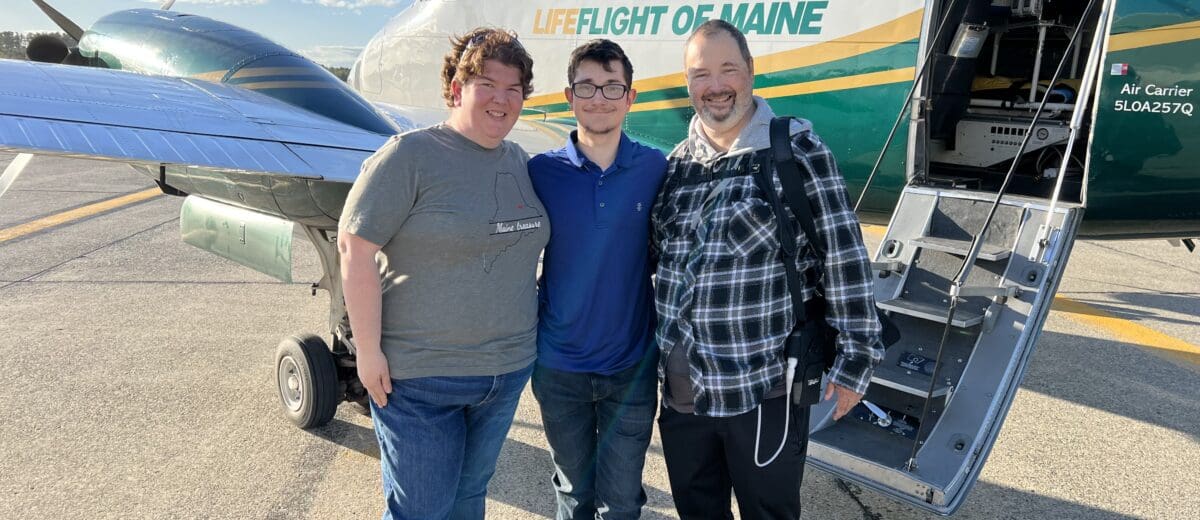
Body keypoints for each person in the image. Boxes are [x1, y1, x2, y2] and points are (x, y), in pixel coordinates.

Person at [651, 20, 884, 520]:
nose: (715, 86)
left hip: (763, 392)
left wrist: (856, 361)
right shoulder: (675, 168)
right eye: (700, 74)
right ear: (688, 83)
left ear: (751, 72)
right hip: (683, 397)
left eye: (727, 69)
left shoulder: (796, 153)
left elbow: (844, 257)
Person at [337, 28, 548, 520]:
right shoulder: (410, 156)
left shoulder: (520, 161)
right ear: (456, 89)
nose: (502, 98)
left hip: (506, 370)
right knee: (422, 510)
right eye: (487, 84)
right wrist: (366, 352)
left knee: (469, 498)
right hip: (421, 379)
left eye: (514, 88)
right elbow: (354, 246)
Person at [527, 39, 667, 520]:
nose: (600, 98)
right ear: (570, 96)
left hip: (629, 367)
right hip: (558, 366)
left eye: (613, 87)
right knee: (573, 492)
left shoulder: (655, 168)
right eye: (587, 86)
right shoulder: (540, 172)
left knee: (622, 502)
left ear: (631, 97)